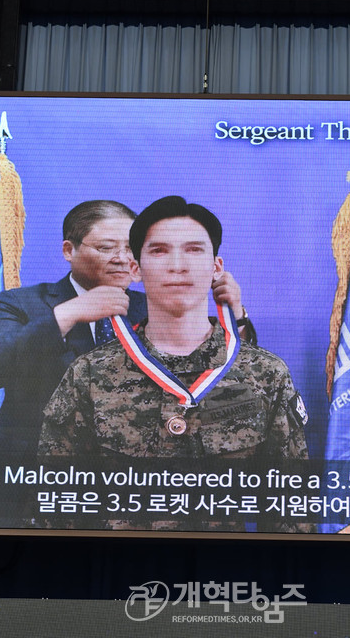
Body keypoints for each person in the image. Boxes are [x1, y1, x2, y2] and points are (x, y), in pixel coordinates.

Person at [0, 199, 249, 526]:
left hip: (134, 487)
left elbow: (231, 378)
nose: (122, 258)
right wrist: (70, 313)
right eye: (107, 247)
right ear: (69, 250)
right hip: (30, 483)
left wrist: (234, 311)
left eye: (130, 248)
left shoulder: (157, 307)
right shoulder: (23, 303)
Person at [35, 196, 309, 532]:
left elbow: (290, 510)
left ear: (215, 268)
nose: (177, 265)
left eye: (194, 250)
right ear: (136, 268)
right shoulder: (90, 374)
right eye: (159, 251)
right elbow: (58, 508)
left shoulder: (265, 374)